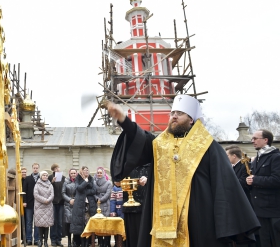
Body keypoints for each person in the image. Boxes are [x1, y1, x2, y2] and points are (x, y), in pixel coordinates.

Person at [107, 95, 260, 247]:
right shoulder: (160, 144)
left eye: (179, 114)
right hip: (163, 219)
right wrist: (123, 120)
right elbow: (140, 138)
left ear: (191, 119)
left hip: (198, 219)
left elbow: (225, 184)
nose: (174, 117)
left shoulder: (207, 145)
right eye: (172, 113)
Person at [247, 129, 280, 246]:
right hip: (259, 209)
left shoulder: (275, 157)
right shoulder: (258, 158)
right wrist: (249, 182)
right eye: (252, 139)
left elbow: (277, 180)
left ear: (266, 140)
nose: (252, 141)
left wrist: (255, 179)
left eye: (255, 138)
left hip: (273, 210)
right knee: (264, 242)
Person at [122, 164, 149, 247]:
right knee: (131, 236)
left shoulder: (149, 166)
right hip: (129, 208)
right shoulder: (126, 166)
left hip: (145, 208)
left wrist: (148, 180)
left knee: (144, 236)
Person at [70, 166, 96, 247]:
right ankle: (81, 242)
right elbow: (79, 188)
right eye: (85, 170)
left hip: (90, 205)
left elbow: (94, 190)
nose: (86, 171)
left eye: (87, 170)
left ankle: (87, 243)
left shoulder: (91, 178)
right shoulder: (78, 178)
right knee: (81, 225)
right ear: (82, 171)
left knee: (88, 224)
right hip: (80, 205)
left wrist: (85, 192)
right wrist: (85, 181)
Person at [34, 170, 54, 247]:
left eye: (46, 175)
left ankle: (45, 241)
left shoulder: (50, 185)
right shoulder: (37, 185)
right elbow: (36, 194)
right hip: (39, 206)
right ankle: (40, 241)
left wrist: (48, 200)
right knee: (40, 225)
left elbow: (52, 194)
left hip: (48, 206)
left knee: (46, 225)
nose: (45, 176)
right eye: (43, 175)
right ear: (41, 176)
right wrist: (44, 200)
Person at [94, 167, 113, 247]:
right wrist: (97, 199)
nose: (99, 174)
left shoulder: (109, 183)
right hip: (97, 204)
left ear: (103, 173)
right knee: (98, 224)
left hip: (106, 204)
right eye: (98, 173)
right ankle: (100, 241)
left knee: (106, 223)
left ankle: (107, 242)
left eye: (100, 173)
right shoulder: (94, 182)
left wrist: (101, 199)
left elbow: (108, 193)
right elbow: (93, 192)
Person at [23, 163, 41, 245]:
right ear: (32, 168)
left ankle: (37, 239)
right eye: (34, 168)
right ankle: (29, 239)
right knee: (29, 222)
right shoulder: (28, 178)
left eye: (37, 168)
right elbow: (24, 191)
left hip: (39, 205)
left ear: (38, 168)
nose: (35, 169)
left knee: (37, 223)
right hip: (29, 204)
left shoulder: (41, 178)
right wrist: (24, 201)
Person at [48, 164, 65, 247]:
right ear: (53, 170)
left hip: (61, 202)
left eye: (58, 168)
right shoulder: (50, 177)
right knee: (53, 222)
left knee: (60, 222)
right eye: (55, 168)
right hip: (53, 202)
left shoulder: (63, 177)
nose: (57, 169)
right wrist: (52, 182)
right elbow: (47, 188)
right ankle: (53, 240)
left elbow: (64, 188)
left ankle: (59, 239)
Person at [62, 168, 77, 247]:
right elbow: (63, 193)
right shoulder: (66, 182)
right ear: (69, 174)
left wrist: (75, 199)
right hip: (67, 205)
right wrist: (69, 200)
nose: (73, 174)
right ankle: (68, 241)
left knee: (75, 223)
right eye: (72, 173)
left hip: (76, 204)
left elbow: (80, 192)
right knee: (68, 223)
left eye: (74, 173)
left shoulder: (78, 182)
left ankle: (74, 240)